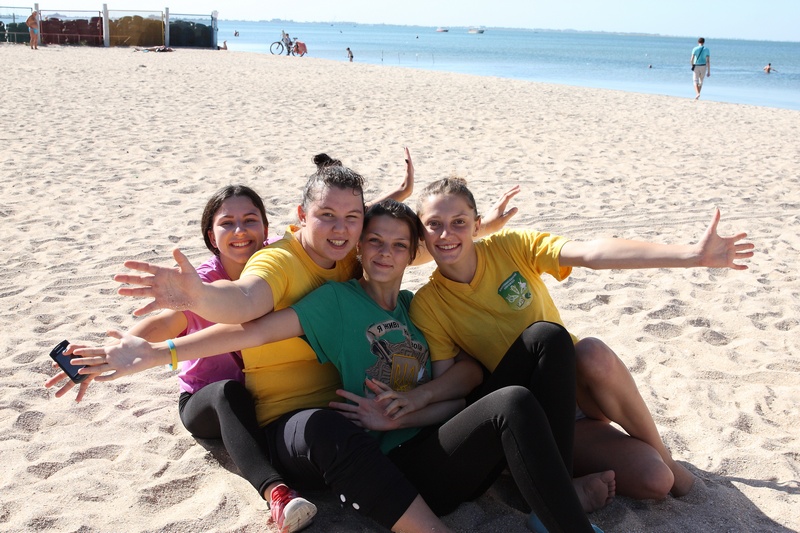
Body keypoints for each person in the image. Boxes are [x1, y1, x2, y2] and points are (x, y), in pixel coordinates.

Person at [73, 200, 603, 532]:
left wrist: (414, 404)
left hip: (438, 437)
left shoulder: (416, 307)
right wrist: (161, 352)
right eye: (375, 242)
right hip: (407, 468)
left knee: (546, 339)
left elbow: (467, 376)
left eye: (398, 245)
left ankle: (553, 498)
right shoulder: (335, 302)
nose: (385, 253)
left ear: (412, 254)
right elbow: (252, 328)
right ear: (361, 249)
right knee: (512, 402)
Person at [408, 177, 754, 503]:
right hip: (536, 418)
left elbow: (591, 254)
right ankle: (556, 473)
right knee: (655, 481)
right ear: (421, 234)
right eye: (434, 224)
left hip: (582, 390)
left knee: (591, 352)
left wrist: (692, 256)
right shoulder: (428, 303)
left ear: (477, 225)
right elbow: (451, 386)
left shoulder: (510, 247)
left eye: (459, 222)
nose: (446, 234)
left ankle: (667, 457)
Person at [46, 185, 318, 533]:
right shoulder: (202, 284)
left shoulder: (280, 262)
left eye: (250, 220)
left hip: (269, 396)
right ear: (212, 236)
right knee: (228, 393)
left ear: (266, 228)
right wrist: (116, 350)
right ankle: (276, 494)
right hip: (209, 401)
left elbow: (326, 225)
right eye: (227, 223)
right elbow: (165, 323)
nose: (240, 231)